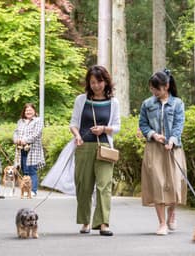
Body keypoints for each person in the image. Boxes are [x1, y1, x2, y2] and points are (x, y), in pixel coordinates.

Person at [70, 65, 121, 236]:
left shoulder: (113, 102)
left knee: (104, 185)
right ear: (88, 83)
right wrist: (77, 136)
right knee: (83, 185)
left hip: (105, 147)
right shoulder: (81, 100)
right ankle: (85, 221)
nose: (96, 85)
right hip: (83, 146)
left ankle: (103, 223)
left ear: (106, 82)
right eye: (92, 82)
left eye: (99, 81)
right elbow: (74, 123)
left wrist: (104, 129)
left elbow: (117, 126)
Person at [139, 69, 187, 235]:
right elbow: (143, 124)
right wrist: (154, 135)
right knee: (158, 184)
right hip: (154, 149)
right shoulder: (147, 104)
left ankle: (171, 214)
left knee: (174, 183)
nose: (153, 92)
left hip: (174, 148)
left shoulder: (178, 103)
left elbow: (179, 125)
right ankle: (161, 224)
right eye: (151, 88)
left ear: (166, 86)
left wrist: (172, 140)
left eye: (156, 88)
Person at [13, 103, 45, 197]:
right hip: (21, 149)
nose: (28, 112)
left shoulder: (38, 121)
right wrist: (16, 140)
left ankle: (33, 190)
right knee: (25, 170)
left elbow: (36, 134)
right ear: (24, 112)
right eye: (27, 110)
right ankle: (25, 189)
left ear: (34, 111)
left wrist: (25, 140)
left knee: (32, 170)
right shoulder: (20, 121)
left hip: (33, 150)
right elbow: (16, 132)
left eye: (30, 110)